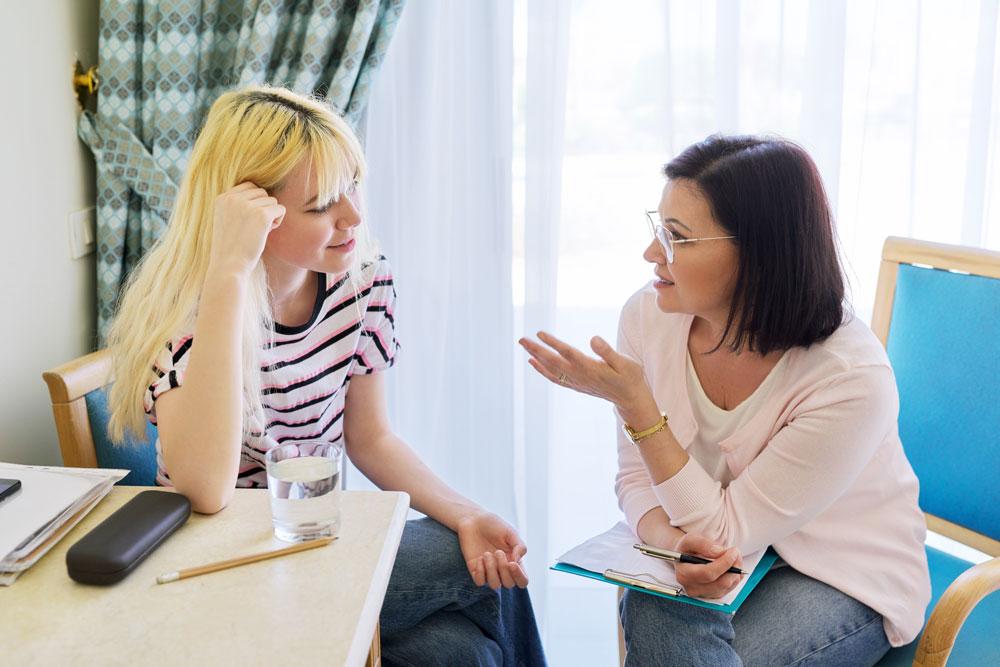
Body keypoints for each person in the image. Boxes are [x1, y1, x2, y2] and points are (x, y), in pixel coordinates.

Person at [107, 85, 545, 667]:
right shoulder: (191, 318)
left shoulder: (363, 283)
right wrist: (229, 271)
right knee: (465, 563)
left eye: (353, 186)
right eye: (321, 205)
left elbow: (371, 439)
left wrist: (465, 511)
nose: (354, 217)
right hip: (219, 569)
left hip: (313, 541)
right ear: (249, 212)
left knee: (459, 650)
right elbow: (206, 493)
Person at [519, 134, 929, 665]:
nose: (651, 254)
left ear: (758, 254)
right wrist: (671, 546)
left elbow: (724, 529)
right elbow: (637, 479)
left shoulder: (849, 377)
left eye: (677, 237)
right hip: (723, 548)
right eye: (657, 228)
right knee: (655, 610)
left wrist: (638, 409)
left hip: (840, 570)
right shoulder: (648, 317)